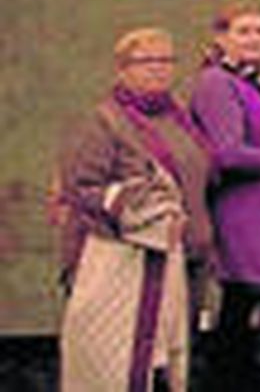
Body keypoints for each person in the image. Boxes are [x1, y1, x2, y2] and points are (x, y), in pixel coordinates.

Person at [58, 28, 215, 391]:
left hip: (185, 252)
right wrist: (139, 210)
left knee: (171, 357)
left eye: (166, 60)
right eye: (146, 61)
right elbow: (81, 188)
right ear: (122, 68)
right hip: (128, 264)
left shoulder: (179, 116)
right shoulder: (104, 121)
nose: (159, 68)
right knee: (127, 362)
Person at [188, 4, 260, 391]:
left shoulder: (253, 79)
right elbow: (227, 153)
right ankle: (232, 379)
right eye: (243, 31)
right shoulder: (216, 83)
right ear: (221, 38)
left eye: (259, 31)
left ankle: (241, 377)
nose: (254, 38)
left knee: (246, 296)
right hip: (241, 205)